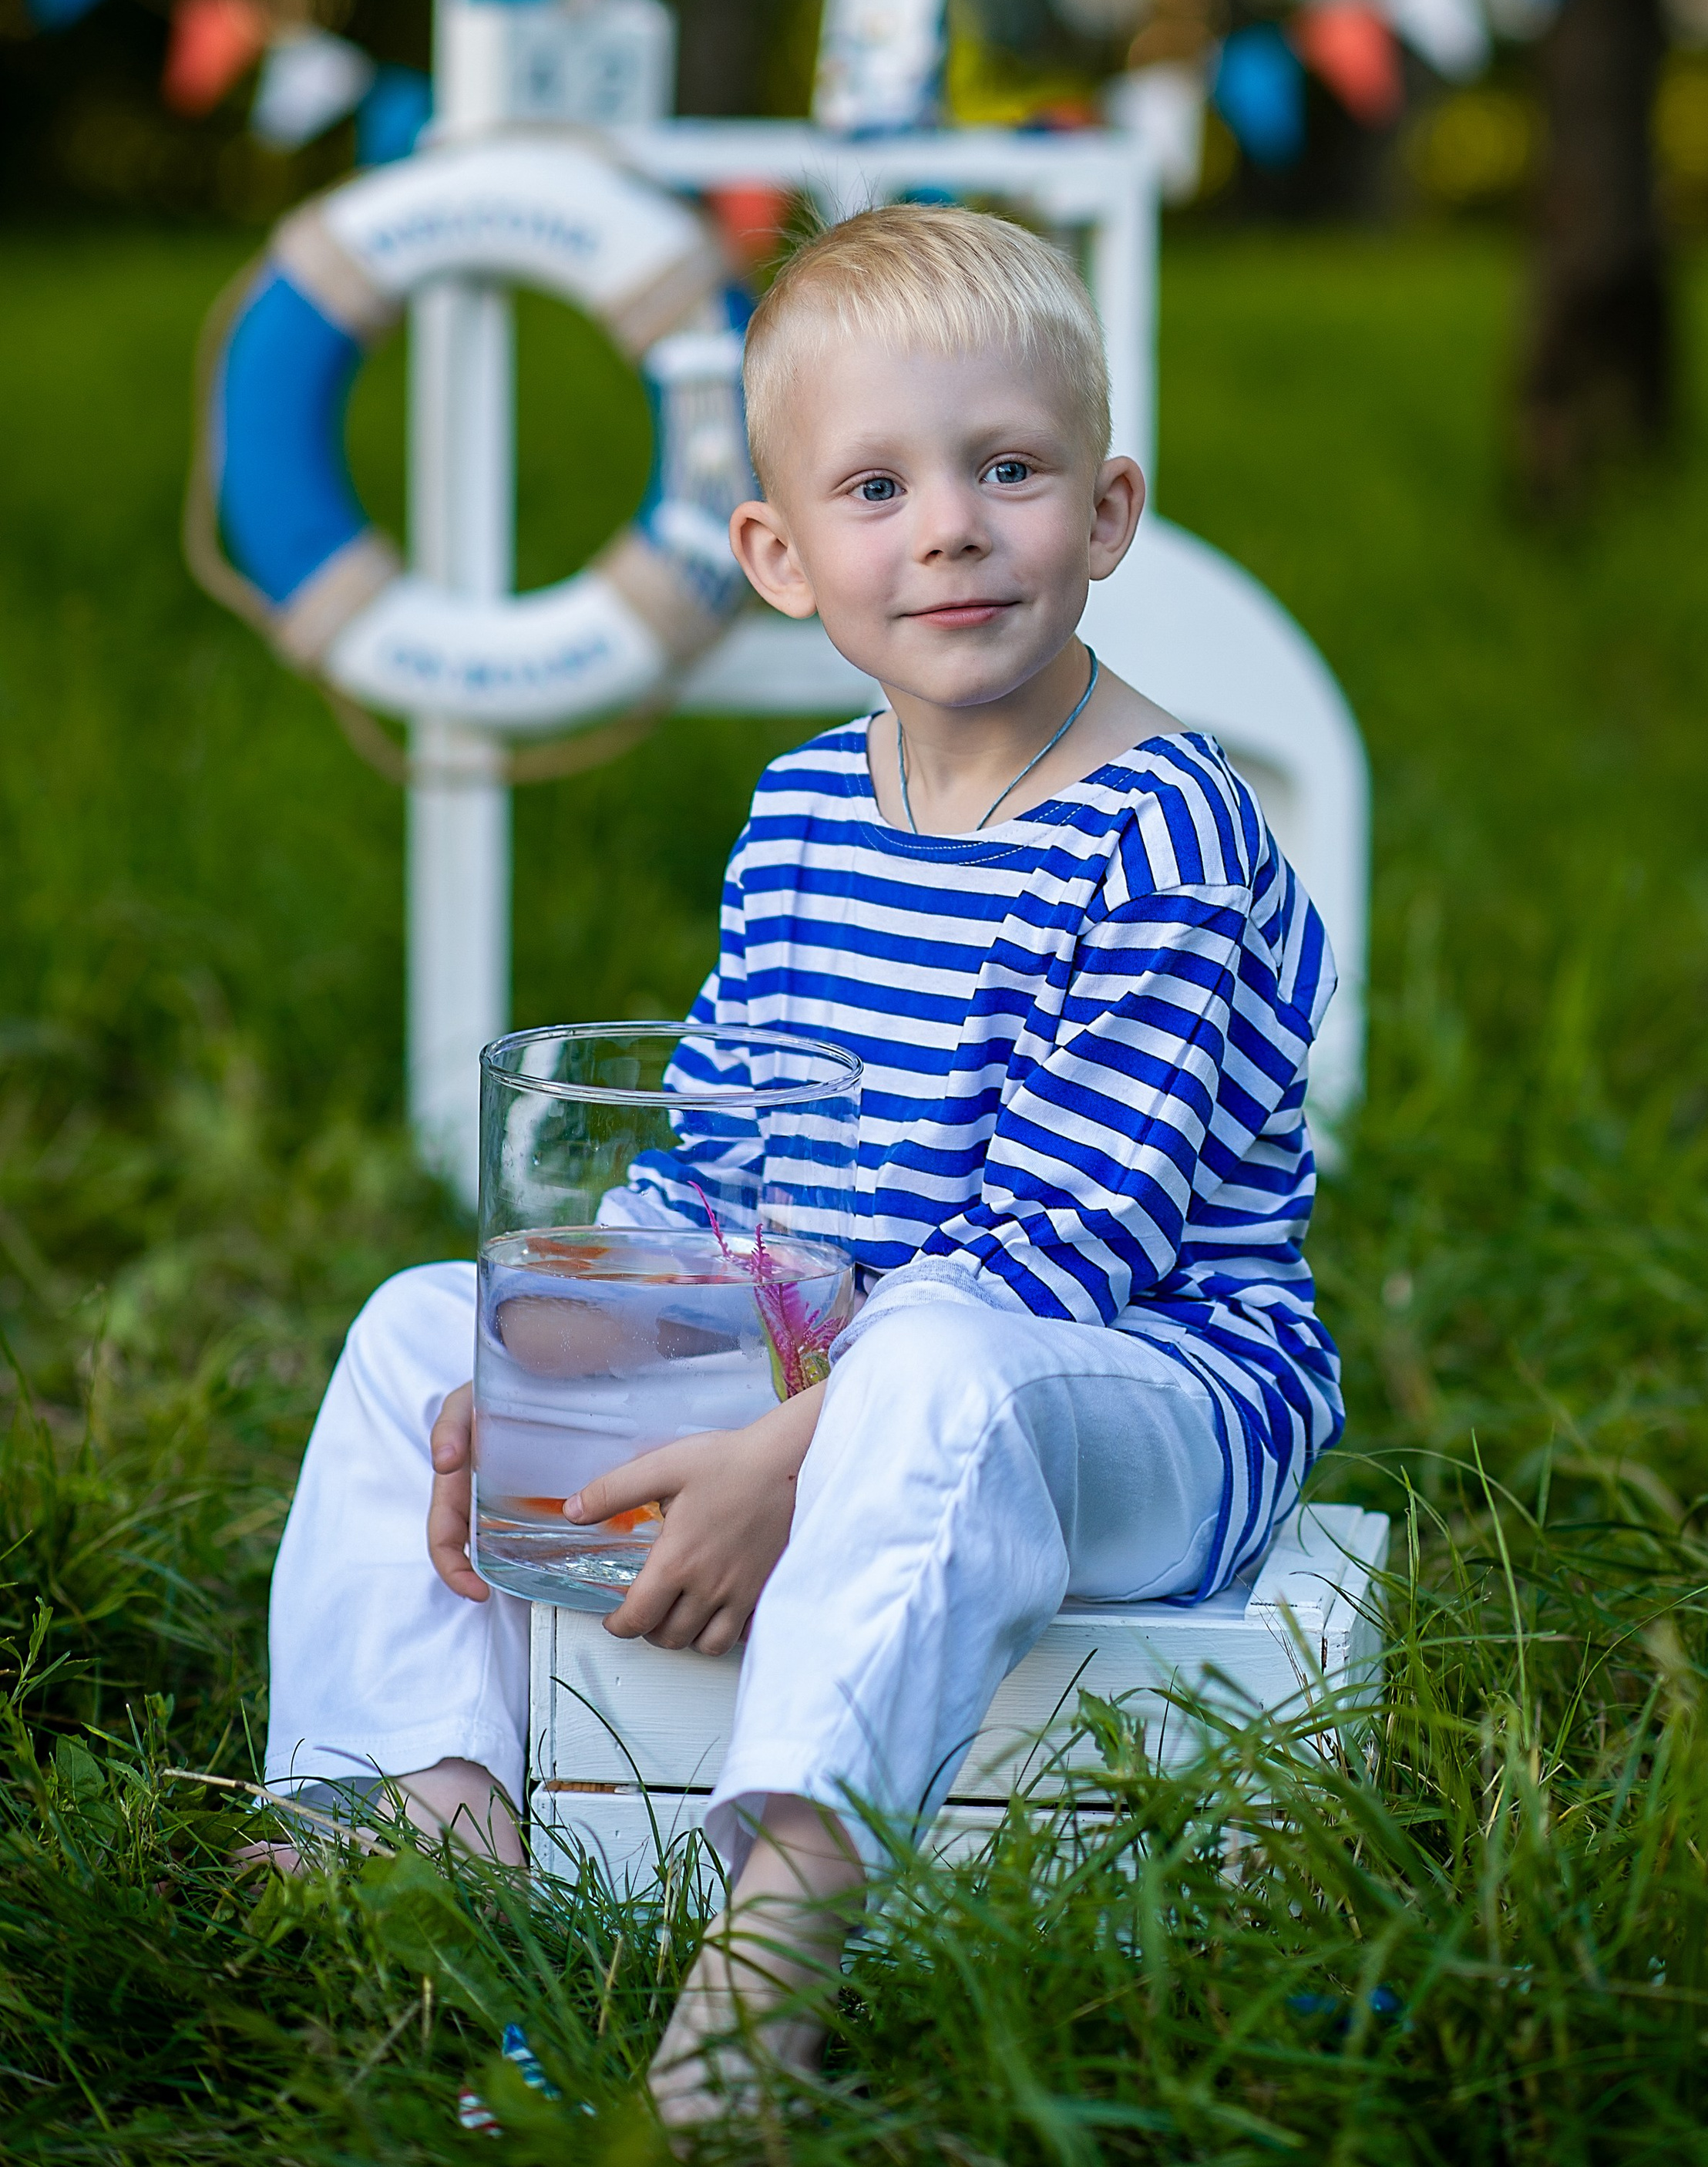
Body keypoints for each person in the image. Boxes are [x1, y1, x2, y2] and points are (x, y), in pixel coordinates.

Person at [261, 204, 1343, 2123]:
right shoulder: (802, 813)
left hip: (1134, 1399)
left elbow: (1063, 1249)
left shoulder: (1166, 832)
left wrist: (793, 1447)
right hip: (835, 1344)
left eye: (1006, 469)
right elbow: (720, 1158)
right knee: (420, 1324)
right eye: (876, 485)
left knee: (931, 1377)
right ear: (778, 554)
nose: (947, 526)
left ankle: (762, 1985)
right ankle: (430, 1831)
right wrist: (560, 1359)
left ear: (1105, 512)